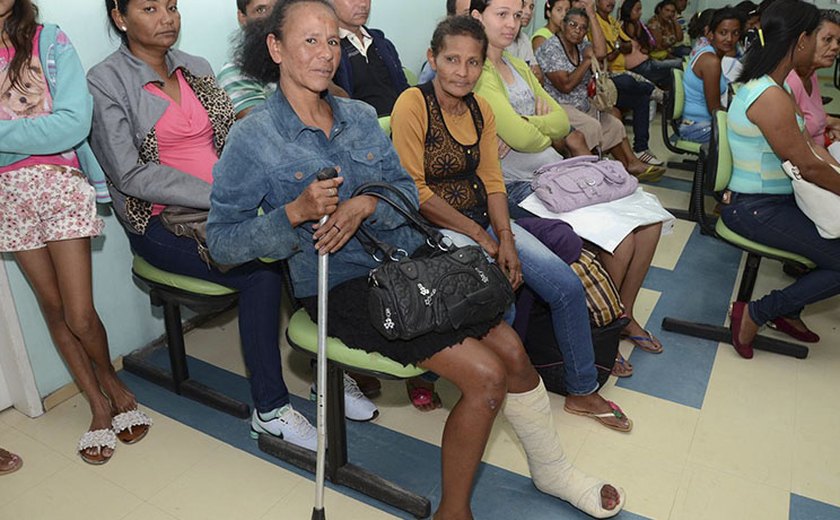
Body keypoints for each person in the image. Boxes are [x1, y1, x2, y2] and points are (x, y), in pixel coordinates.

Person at [207, 2, 627, 518]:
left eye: (332, 42)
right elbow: (223, 244)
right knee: (485, 377)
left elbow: (406, 192)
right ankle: (456, 511)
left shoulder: (360, 118)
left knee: (513, 352)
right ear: (275, 48)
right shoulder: (253, 138)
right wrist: (292, 213)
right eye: (309, 41)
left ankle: (552, 470)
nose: (324, 54)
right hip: (339, 287)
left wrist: (366, 203)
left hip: (409, 264)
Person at [87, 0, 376, 452]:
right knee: (259, 270)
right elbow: (130, 175)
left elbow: (237, 140)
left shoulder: (195, 67)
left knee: (311, 236)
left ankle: (328, 375)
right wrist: (225, 194)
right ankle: (270, 409)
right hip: (163, 223)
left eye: (172, 7)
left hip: (229, 205)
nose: (166, 18)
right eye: (149, 8)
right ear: (120, 18)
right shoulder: (106, 81)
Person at [391, 15, 633, 429]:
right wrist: (482, 238)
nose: (462, 72)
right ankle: (445, 373)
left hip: (483, 219)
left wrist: (504, 236)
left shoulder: (482, 108)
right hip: (432, 228)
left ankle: (581, 389)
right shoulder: (412, 104)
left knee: (565, 286)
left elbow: (491, 180)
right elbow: (416, 191)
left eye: (472, 62)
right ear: (433, 58)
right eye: (451, 60)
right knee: (494, 299)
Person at [0, 0, 151, 465]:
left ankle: (111, 379)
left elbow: (71, 124)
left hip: (61, 184)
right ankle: (98, 404)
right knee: (52, 307)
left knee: (80, 312)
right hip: (7, 196)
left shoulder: (50, 40)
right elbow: (50, 127)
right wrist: (34, 132)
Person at [722, 0, 840, 358]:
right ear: (801, 40)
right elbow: (808, 165)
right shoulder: (770, 95)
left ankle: (788, 309)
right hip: (754, 207)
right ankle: (758, 312)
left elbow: (811, 151)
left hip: (777, 201)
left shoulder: (777, 88)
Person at [537, 6, 666, 180]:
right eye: (573, 25)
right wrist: (587, 61)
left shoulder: (580, 44)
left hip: (581, 103)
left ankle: (632, 164)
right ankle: (593, 174)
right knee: (592, 126)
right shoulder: (550, 48)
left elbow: (601, 52)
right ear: (563, 25)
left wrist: (591, 13)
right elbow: (565, 86)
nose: (577, 30)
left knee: (614, 124)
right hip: (558, 105)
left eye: (583, 28)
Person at [593, 0, 664, 165]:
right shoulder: (592, 21)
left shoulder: (611, 21)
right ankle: (656, 92)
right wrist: (617, 47)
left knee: (641, 97)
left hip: (617, 73)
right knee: (628, 82)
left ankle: (641, 149)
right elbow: (604, 55)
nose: (611, 2)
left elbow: (627, 46)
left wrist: (615, 47)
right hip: (604, 75)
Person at [331, 0, 409, 116]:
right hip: (361, 127)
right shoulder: (328, 49)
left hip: (399, 121)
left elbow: (403, 89)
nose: (363, 4)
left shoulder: (383, 44)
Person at [680, 8, 744, 143]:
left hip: (698, 123)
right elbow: (715, 110)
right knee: (747, 137)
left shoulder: (710, 53)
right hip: (697, 127)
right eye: (723, 33)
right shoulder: (711, 61)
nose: (729, 39)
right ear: (710, 34)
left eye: (735, 33)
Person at [787, 9, 840, 148]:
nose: (835, 47)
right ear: (804, 40)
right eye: (827, 40)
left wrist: (829, 124)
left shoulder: (811, 75)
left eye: (838, 42)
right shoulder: (790, 81)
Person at [619, 0, 683, 86]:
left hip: (647, 60)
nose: (640, 13)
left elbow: (679, 38)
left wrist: (674, 20)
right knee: (680, 64)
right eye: (637, 10)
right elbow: (656, 46)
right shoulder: (629, 25)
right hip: (641, 65)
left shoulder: (637, 24)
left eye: (640, 9)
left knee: (674, 72)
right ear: (628, 10)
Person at [507, 0, 544, 83]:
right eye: (523, 5)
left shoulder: (525, 39)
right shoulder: (501, 39)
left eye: (531, 7)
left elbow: (539, 77)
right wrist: (527, 74)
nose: (528, 12)